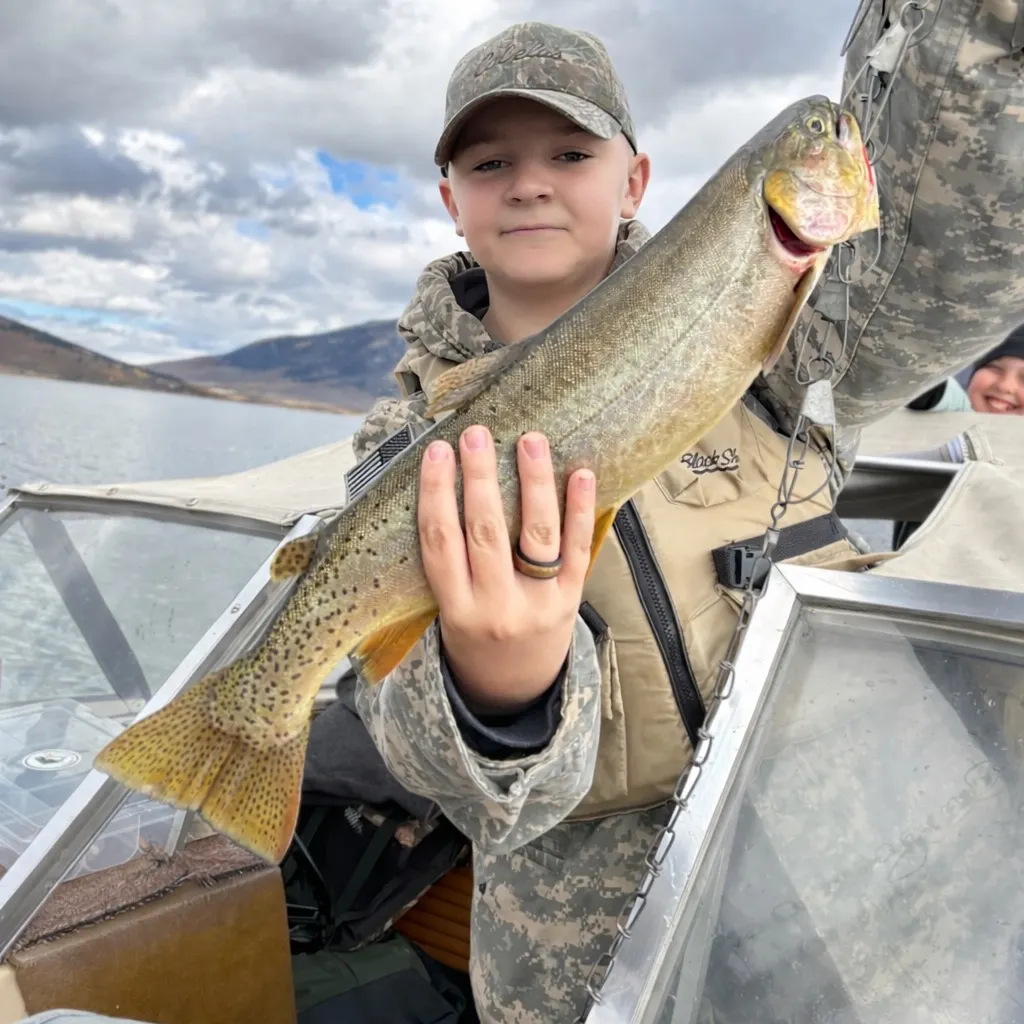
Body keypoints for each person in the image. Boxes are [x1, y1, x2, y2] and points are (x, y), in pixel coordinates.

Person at [346, 20, 864, 1024]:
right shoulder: (400, 445)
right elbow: (419, 752)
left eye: (571, 154)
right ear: (452, 201)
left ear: (634, 181)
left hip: (849, 866)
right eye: (491, 162)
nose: (531, 183)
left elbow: (939, 280)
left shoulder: (785, 334)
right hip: (581, 966)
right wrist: (499, 693)